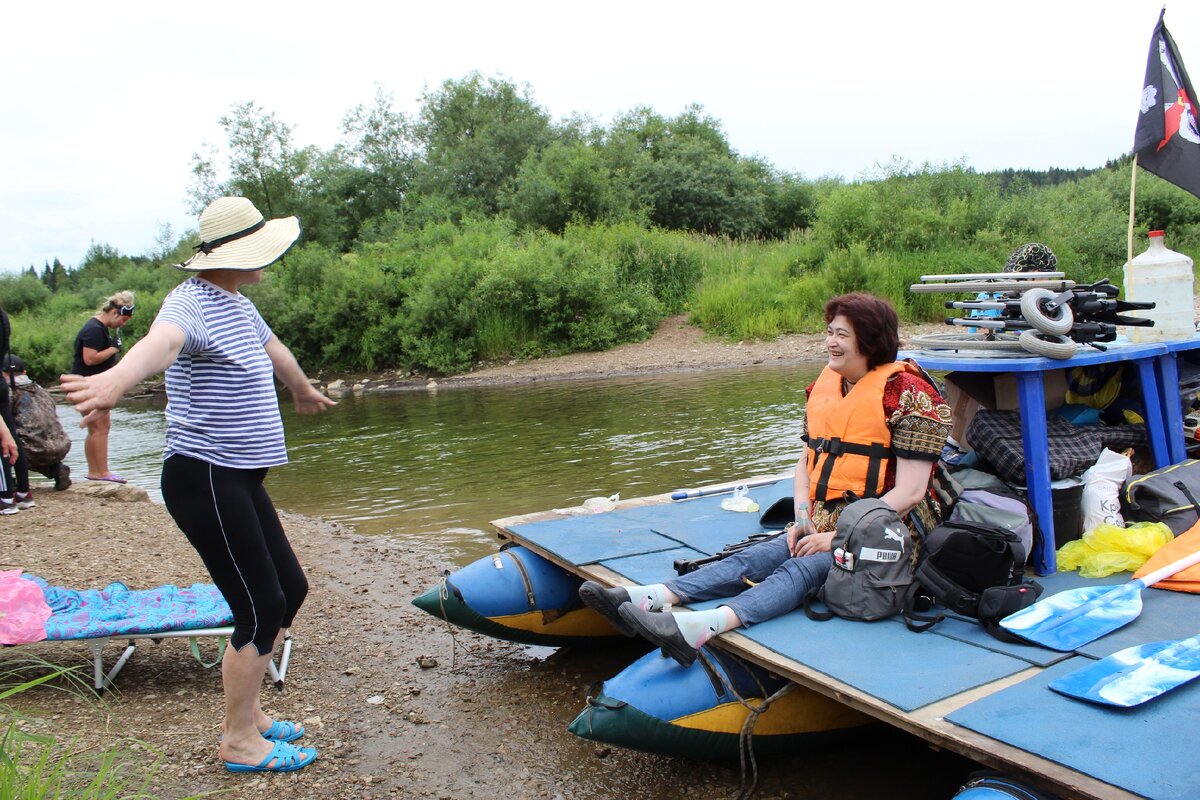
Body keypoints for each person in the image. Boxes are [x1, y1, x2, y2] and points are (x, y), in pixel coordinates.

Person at [61, 196, 336, 773]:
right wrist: (112, 381)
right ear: (236, 254)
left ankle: (253, 714)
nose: (271, 258)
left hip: (238, 478)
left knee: (289, 587)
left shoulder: (238, 304)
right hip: (204, 476)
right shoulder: (189, 302)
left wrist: (301, 388)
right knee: (259, 606)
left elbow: (275, 350)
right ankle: (238, 741)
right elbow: (159, 346)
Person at [578, 292, 952, 666]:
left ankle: (698, 628)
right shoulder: (828, 387)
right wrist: (803, 518)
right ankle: (651, 597)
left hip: (889, 535)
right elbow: (807, 461)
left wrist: (837, 537)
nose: (830, 342)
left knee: (805, 566)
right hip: (828, 521)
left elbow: (912, 490)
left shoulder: (908, 396)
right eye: (829, 332)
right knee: (761, 554)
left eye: (841, 335)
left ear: (869, 341)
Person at [71, 290, 136, 483]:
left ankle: (95, 471)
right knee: (100, 427)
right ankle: (102, 473)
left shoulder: (99, 328)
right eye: (122, 320)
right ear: (114, 313)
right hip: (88, 383)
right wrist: (113, 349)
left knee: (98, 427)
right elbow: (89, 359)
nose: (122, 324)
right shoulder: (94, 329)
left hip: (88, 383)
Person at [5, 355, 72, 491]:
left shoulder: (8, 391)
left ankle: (8, 482)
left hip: (32, 448)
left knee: (8, 439)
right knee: (32, 443)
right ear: (24, 372)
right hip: (60, 445)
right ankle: (56, 470)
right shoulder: (40, 389)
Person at [0, 309, 33, 513]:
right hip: (2, 384)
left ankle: (5, 497)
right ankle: (23, 492)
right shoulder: (3, 316)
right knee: (10, 435)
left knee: (2, 440)